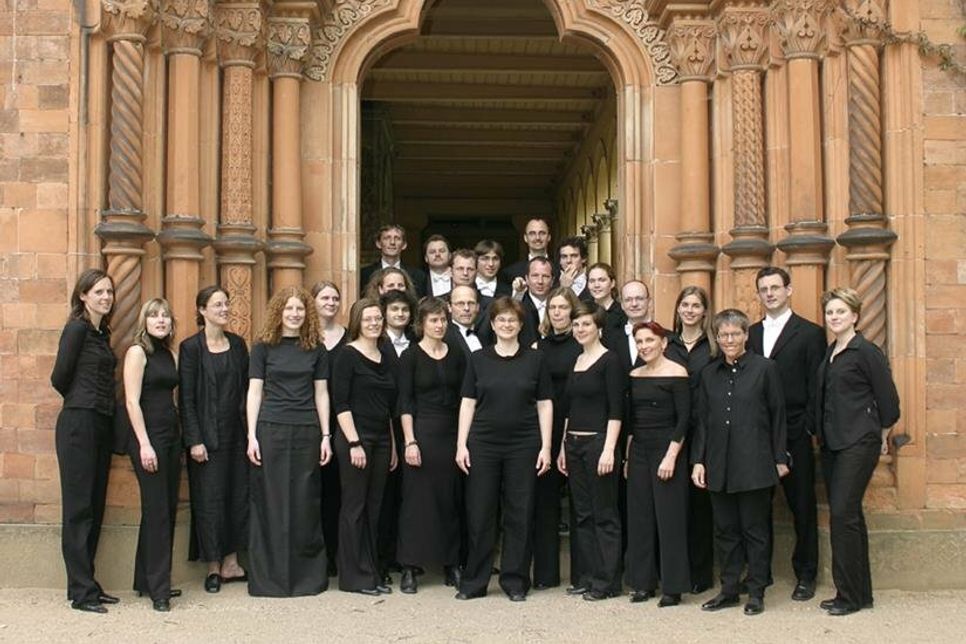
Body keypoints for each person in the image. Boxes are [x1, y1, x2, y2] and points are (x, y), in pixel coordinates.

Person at [455, 297, 554, 601]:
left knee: (519, 513)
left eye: (513, 320)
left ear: (521, 325)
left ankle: (515, 581)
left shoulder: (535, 360)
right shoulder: (478, 359)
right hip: (483, 443)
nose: (507, 325)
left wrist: (546, 446)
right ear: (493, 324)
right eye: (501, 320)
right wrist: (461, 444)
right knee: (480, 512)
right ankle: (475, 582)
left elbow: (545, 404)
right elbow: (467, 402)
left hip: (524, 444)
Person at [691, 309, 788, 616]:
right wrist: (699, 461)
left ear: (746, 335)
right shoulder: (708, 374)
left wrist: (779, 457)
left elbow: (777, 416)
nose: (729, 340)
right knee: (725, 531)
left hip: (755, 463)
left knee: (754, 531)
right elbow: (703, 422)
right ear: (716, 338)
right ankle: (729, 589)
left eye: (735, 334)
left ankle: (756, 591)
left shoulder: (765, 369)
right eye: (723, 335)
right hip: (718, 464)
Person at [816, 287, 900, 616]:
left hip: (858, 442)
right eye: (830, 313)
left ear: (855, 315)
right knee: (851, 518)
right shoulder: (832, 351)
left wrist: (878, 435)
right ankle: (860, 593)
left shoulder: (866, 351)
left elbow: (889, 403)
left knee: (841, 515)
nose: (834, 317)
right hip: (833, 443)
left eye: (840, 312)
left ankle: (847, 597)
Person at [246, 286, 332, 597]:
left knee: (304, 502)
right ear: (278, 312)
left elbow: (322, 393)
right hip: (271, 429)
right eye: (289, 309)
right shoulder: (263, 347)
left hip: (307, 429)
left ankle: (305, 578)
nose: (294, 314)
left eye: (299, 309)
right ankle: (270, 579)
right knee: (272, 501)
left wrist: (326, 436)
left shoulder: (316, 348)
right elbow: (254, 392)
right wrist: (251, 435)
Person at [748, 267, 826, 601]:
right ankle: (759, 574)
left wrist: (808, 427)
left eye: (775, 287)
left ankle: (806, 574)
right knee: (755, 507)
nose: (769, 293)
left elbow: (816, 386)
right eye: (764, 289)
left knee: (802, 505)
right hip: (755, 431)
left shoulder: (809, 333)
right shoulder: (749, 334)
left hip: (794, 430)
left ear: (788, 290)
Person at [50, 268, 118, 613]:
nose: (105, 297)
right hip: (78, 423)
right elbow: (59, 377)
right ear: (83, 295)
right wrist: (82, 401)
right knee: (78, 510)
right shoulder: (77, 328)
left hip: (101, 424)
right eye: (98, 292)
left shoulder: (102, 334)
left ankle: (86, 581)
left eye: (108, 292)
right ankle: (81, 593)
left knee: (94, 506)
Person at [180, 286, 250, 594]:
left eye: (226, 303)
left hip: (236, 435)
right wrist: (194, 439)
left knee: (237, 497)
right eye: (217, 304)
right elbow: (186, 398)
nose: (224, 309)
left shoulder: (237, 345)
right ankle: (212, 566)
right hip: (206, 440)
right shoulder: (191, 348)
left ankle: (232, 563)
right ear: (202, 310)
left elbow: (248, 391)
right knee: (209, 501)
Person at [396, 298, 467, 593]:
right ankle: (411, 566)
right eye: (433, 320)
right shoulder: (410, 357)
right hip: (422, 433)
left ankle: (452, 563)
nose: (439, 325)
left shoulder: (457, 355)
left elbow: (466, 398)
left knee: (450, 500)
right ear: (421, 324)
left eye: (442, 320)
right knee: (417, 502)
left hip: (451, 433)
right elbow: (405, 402)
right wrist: (410, 441)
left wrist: (464, 440)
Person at [557, 302, 625, 601]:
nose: (580, 329)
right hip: (573, 444)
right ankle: (585, 576)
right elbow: (571, 408)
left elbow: (616, 409)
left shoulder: (610, 361)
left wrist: (610, 449)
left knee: (604, 515)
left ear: (599, 328)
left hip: (599, 442)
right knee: (582, 514)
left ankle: (607, 581)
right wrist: (562, 445)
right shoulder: (576, 359)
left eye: (586, 324)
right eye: (576, 324)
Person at [331, 298, 398, 595]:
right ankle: (353, 577)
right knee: (354, 507)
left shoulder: (386, 353)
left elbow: (390, 406)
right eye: (368, 318)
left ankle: (371, 573)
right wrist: (354, 442)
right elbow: (340, 403)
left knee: (374, 508)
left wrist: (393, 445)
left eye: (378, 318)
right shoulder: (346, 355)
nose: (374, 323)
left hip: (383, 438)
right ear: (357, 321)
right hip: (355, 439)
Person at [625, 322, 691, 607]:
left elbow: (684, 419)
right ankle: (642, 584)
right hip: (639, 449)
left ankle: (673, 587)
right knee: (640, 518)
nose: (644, 346)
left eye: (649, 340)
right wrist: (628, 456)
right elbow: (631, 420)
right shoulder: (634, 374)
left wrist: (671, 456)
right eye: (639, 342)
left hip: (668, 449)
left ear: (663, 343)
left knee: (669, 518)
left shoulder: (678, 373)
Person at [123, 298, 181, 611]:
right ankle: (160, 589)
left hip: (170, 435)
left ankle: (146, 579)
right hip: (148, 438)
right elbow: (132, 402)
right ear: (144, 320)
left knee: (165, 508)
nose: (160, 320)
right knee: (157, 510)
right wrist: (144, 443)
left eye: (165, 315)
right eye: (154, 315)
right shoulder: (137, 352)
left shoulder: (169, 353)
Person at [664, 286, 717, 595]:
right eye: (685, 304)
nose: (690, 310)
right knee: (674, 503)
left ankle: (700, 572)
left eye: (696, 305)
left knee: (700, 504)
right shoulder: (667, 344)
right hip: (670, 431)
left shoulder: (713, 348)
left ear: (704, 311)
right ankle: (674, 570)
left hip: (704, 430)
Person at [532, 287, 582, 591]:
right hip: (545, 429)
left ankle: (581, 575)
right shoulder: (538, 347)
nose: (558, 313)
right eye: (553, 308)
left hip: (578, 424)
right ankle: (546, 574)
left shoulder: (583, 344)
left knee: (580, 504)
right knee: (544, 503)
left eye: (564, 308)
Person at [377, 289, 416, 582]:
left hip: (412, 425)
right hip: (384, 425)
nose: (400, 315)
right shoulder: (377, 344)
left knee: (409, 495)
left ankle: (407, 556)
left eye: (404, 310)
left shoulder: (416, 343)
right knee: (386, 495)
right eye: (394, 310)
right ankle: (384, 558)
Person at [313, 281, 348, 577]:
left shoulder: (348, 339)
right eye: (325, 297)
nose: (331, 302)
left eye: (335, 298)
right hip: (309, 422)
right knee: (313, 492)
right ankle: (316, 558)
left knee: (339, 492)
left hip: (343, 423)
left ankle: (338, 556)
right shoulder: (305, 338)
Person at [359, 224, 427, 297]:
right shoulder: (364, 274)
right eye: (387, 238)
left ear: (404, 245)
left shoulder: (418, 276)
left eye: (397, 238)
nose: (392, 242)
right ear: (378, 243)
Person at [603, 280, 651, 372]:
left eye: (639, 298)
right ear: (622, 305)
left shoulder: (666, 338)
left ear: (649, 301)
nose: (634, 304)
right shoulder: (609, 339)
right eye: (628, 300)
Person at [503, 217, 554, 285]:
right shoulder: (510, 273)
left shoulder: (560, 270)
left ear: (549, 237)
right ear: (525, 238)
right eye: (532, 233)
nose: (537, 238)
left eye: (542, 233)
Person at [518, 256, 554, 347]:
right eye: (535, 276)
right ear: (526, 279)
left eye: (545, 276)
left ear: (552, 280)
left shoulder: (559, 306)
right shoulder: (518, 306)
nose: (540, 281)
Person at [445, 285, 486, 357]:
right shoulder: (445, 337)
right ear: (449, 307)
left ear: (477, 307)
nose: (466, 308)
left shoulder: (485, 335)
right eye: (460, 304)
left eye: (471, 303)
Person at [587, 262, 626, 337]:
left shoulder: (622, 313)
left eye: (602, 280)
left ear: (612, 283)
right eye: (592, 281)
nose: (596, 285)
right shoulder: (583, 311)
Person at [557, 236, 593, 302]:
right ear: (560, 261)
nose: (568, 261)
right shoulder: (553, 285)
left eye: (574, 256)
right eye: (564, 256)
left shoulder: (593, 284)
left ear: (583, 258)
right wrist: (563, 288)